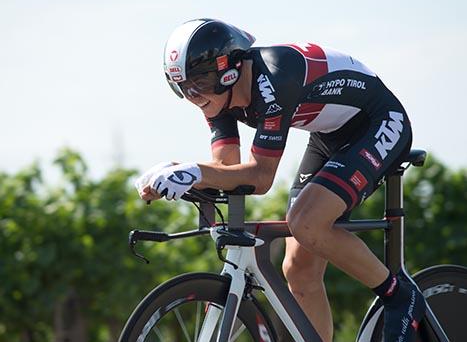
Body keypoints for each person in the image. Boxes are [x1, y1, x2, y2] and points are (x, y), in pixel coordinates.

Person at [134, 18, 426, 342]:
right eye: (183, 88)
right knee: (298, 269)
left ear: (228, 69)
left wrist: (195, 172)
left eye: (198, 83)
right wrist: (178, 173)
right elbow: (226, 167)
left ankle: (399, 294)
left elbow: (259, 178)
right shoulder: (216, 96)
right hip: (329, 136)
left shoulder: (274, 80)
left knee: (306, 222)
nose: (193, 96)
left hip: (379, 122)